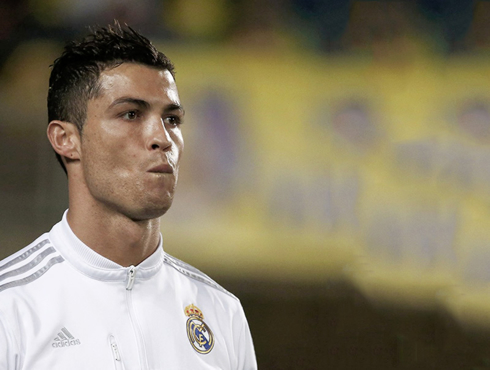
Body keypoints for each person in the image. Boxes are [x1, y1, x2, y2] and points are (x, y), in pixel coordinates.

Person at [0, 22, 257, 369]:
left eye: (172, 119)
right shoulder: (11, 306)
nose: (162, 137)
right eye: (131, 114)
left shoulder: (221, 312)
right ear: (66, 139)